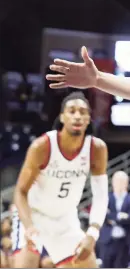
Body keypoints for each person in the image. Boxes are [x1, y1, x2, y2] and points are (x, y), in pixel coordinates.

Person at [12, 91, 109, 268]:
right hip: (33, 215)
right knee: (26, 263)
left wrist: (92, 233)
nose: (77, 116)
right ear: (62, 117)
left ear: (89, 118)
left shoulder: (97, 148)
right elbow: (20, 191)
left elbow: (101, 195)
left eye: (83, 111)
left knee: (87, 262)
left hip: (65, 218)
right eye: (72, 111)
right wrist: (29, 226)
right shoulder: (42, 146)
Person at [98, 171, 130, 268]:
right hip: (108, 239)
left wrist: (112, 216)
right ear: (113, 182)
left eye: (122, 181)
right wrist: (120, 216)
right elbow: (103, 216)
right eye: (117, 181)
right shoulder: (106, 198)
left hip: (124, 241)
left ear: (127, 183)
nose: (119, 184)